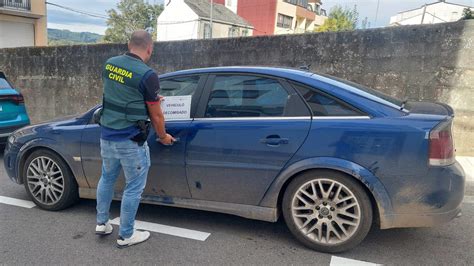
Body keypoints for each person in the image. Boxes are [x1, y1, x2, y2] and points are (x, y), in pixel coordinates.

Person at [94, 30, 175, 248]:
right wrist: (163, 136)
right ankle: (126, 235)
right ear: (150, 49)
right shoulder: (147, 74)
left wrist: (151, 97)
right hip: (130, 140)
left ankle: (102, 223)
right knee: (133, 187)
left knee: (107, 178)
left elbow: (120, 92)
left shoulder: (109, 64)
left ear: (129, 44)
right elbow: (156, 114)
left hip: (107, 135)